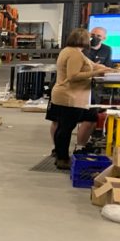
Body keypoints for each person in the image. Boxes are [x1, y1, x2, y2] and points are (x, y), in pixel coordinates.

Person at [47, 28, 116, 168]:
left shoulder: (71, 51)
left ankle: (60, 156)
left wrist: (106, 69)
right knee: (65, 129)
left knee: (64, 127)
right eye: (90, 37)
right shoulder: (74, 54)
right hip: (69, 96)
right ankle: (62, 159)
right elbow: (73, 76)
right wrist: (96, 72)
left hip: (66, 95)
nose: (92, 40)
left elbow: (90, 63)